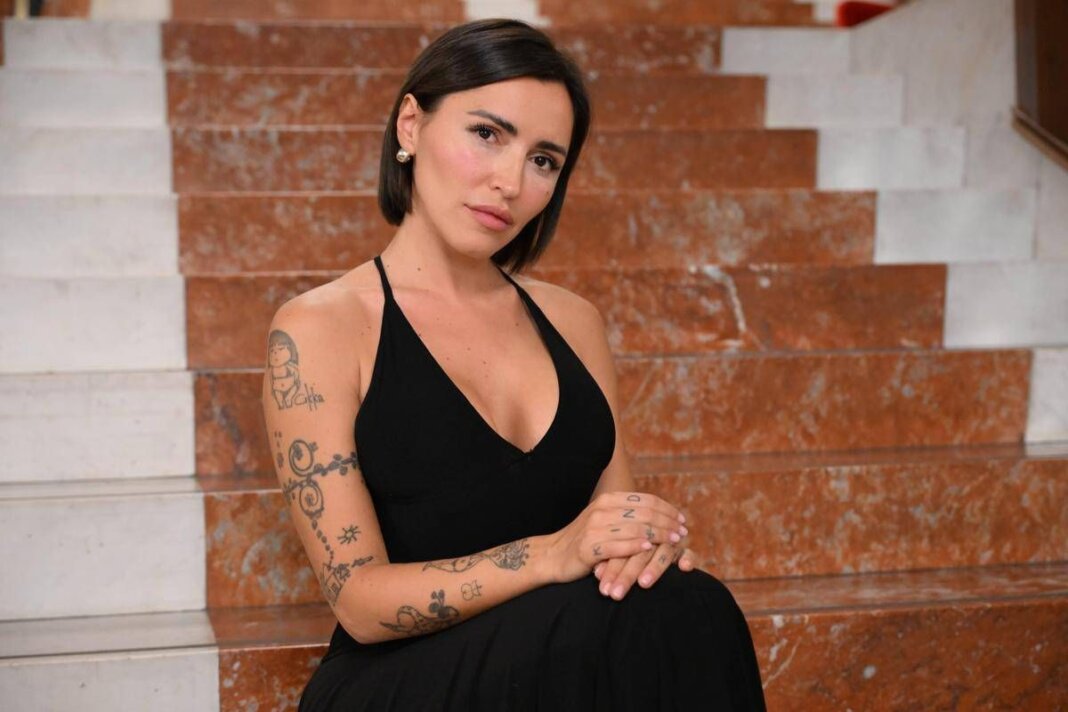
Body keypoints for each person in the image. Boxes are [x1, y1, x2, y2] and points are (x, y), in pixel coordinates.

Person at [262, 18, 767, 711]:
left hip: (563, 659)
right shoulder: (320, 328)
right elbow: (357, 599)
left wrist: (645, 547)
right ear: (411, 125)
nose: (510, 181)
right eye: (487, 134)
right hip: (401, 681)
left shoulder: (574, 321)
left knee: (687, 601)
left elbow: (614, 532)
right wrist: (550, 554)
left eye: (544, 161)